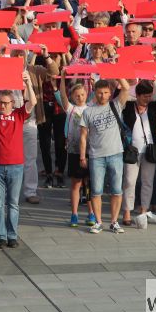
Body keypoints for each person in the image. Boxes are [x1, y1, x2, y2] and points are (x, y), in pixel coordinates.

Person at [0, 72, 37, 249]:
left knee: (13, 203)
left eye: (6, 103)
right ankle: (1, 236)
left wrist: (28, 83)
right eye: (1, 102)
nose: (3, 106)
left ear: (13, 103)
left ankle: (12, 235)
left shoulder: (19, 114)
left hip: (15, 165)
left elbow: (33, 102)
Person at [79, 78, 131, 234]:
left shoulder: (115, 105)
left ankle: (114, 221)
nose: (103, 95)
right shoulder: (88, 111)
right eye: (100, 93)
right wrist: (82, 156)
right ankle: (98, 222)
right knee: (96, 191)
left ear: (110, 93)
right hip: (96, 156)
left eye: (106, 92)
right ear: (95, 92)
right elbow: (83, 136)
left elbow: (126, 88)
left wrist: (117, 72)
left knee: (116, 190)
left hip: (116, 153)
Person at [120, 80, 156, 226]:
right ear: (137, 95)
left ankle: (144, 210)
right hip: (132, 150)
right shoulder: (128, 106)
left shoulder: (153, 107)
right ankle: (127, 212)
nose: (148, 99)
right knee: (129, 181)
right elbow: (117, 99)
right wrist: (121, 84)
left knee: (148, 181)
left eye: (150, 96)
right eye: (145, 96)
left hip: (150, 150)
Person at [54, 73, 93, 227]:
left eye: (82, 94)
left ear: (86, 94)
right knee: (76, 184)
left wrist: (93, 83)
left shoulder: (91, 108)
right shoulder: (70, 109)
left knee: (88, 183)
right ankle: (74, 214)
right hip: (73, 151)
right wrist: (63, 79)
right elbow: (63, 95)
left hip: (89, 151)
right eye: (77, 95)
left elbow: (99, 95)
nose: (80, 97)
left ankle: (91, 213)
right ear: (72, 97)